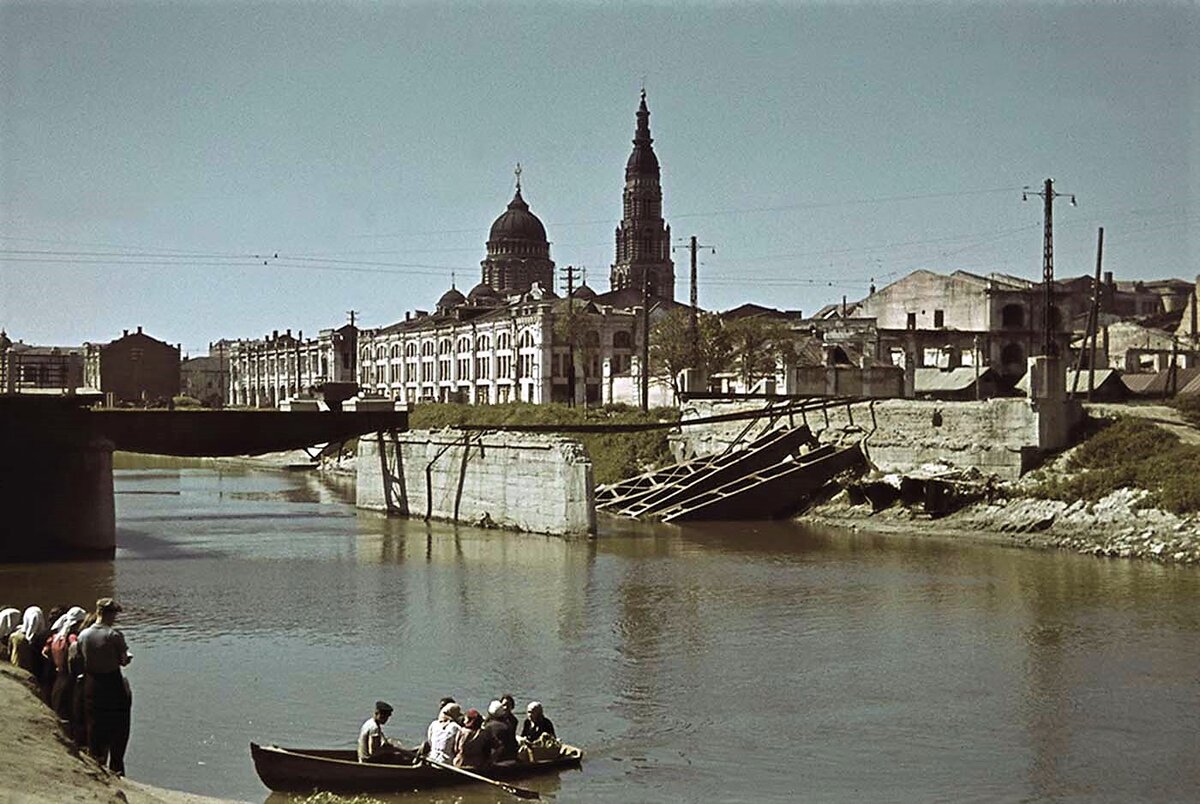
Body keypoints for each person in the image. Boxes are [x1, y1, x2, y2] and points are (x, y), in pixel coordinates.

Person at [78, 598, 132, 776]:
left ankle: (96, 763)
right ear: (109, 614)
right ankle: (116, 767)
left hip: (92, 684)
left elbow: (79, 658)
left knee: (95, 725)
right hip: (112, 684)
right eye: (114, 614)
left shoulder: (83, 635)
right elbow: (123, 660)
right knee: (119, 728)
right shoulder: (113, 635)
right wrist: (125, 657)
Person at [47, 606, 86, 724]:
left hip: (58, 680)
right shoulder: (72, 640)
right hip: (70, 683)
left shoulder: (56, 637)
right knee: (71, 716)